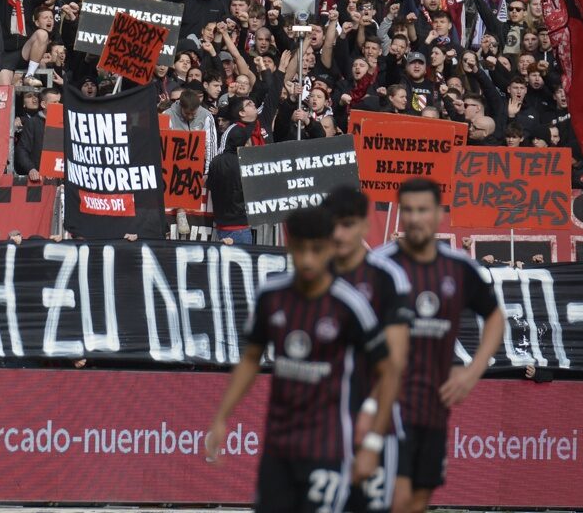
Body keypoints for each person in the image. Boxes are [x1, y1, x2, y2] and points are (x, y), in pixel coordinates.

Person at [207, 205, 400, 513]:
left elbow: (388, 372)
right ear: (289, 245)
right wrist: (221, 417)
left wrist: (373, 443)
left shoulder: (351, 305)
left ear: (329, 248)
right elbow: (251, 358)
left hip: (329, 447)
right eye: (300, 249)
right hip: (278, 448)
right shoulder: (272, 295)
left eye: (316, 250)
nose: (308, 259)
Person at [376, 178, 506, 513]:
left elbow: (495, 318)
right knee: (398, 499)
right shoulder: (379, 266)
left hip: (434, 404)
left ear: (438, 215)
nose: (416, 218)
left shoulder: (458, 267)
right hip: (388, 404)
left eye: (423, 210)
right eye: (409, 211)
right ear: (401, 216)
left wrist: (472, 372)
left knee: (420, 499)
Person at [324, 187, 413, 513]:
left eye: (347, 224)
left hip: (374, 426)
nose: (338, 233)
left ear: (364, 226)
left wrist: (373, 435)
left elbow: (394, 363)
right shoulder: (310, 277)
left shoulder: (387, 278)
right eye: (331, 224)